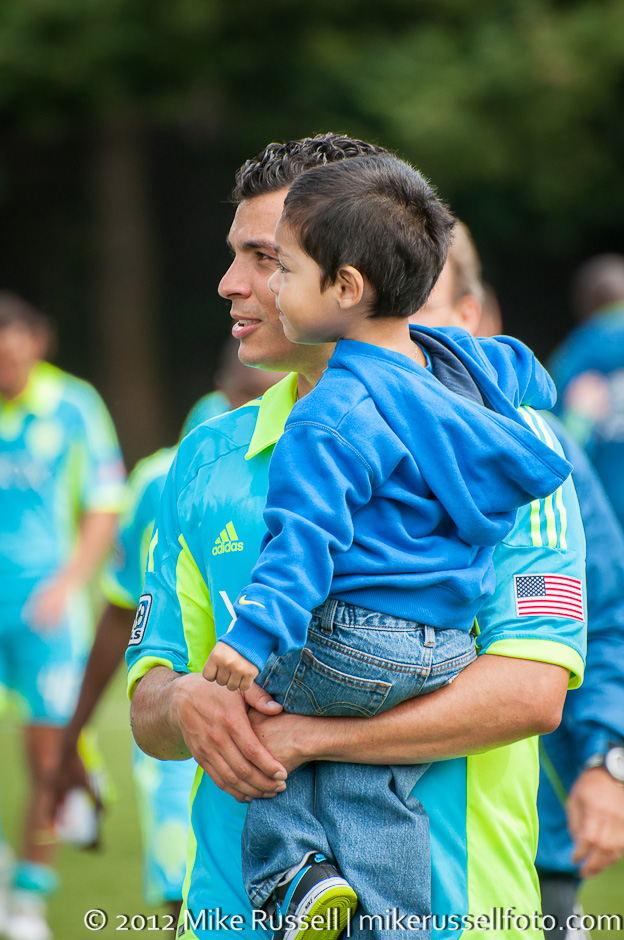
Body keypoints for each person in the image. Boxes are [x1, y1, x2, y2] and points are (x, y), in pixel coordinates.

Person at [127, 134, 585, 940]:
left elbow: (530, 690)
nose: (231, 283)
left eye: (268, 258)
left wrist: (304, 737)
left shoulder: (503, 445)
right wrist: (188, 703)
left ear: (348, 278)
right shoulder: (203, 457)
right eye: (237, 255)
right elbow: (149, 702)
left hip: (458, 917)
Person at [415, 226, 624, 938]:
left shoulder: (538, 451)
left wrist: (604, 761)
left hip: (526, 844)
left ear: (470, 315)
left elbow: (602, 613)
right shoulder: (314, 447)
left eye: (419, 303)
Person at [53, 340, 286, 932]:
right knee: (186, 899)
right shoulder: (176, 471)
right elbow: (123, 611)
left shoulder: (340, 455)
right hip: (186, 736)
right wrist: (74, 733)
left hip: (286, 737)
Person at [0, 292, 125, 940]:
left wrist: (70, 582)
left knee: (47, 753)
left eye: (12, 352)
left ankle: (27, 901)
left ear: (37, 343)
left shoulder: (74, 405)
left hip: (46, 609)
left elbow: (105, 502)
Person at [547, 254, 624, 527]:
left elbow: (559, 451)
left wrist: (580, 417)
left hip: (604, 522)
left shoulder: (574, 356)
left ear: (584, 307)